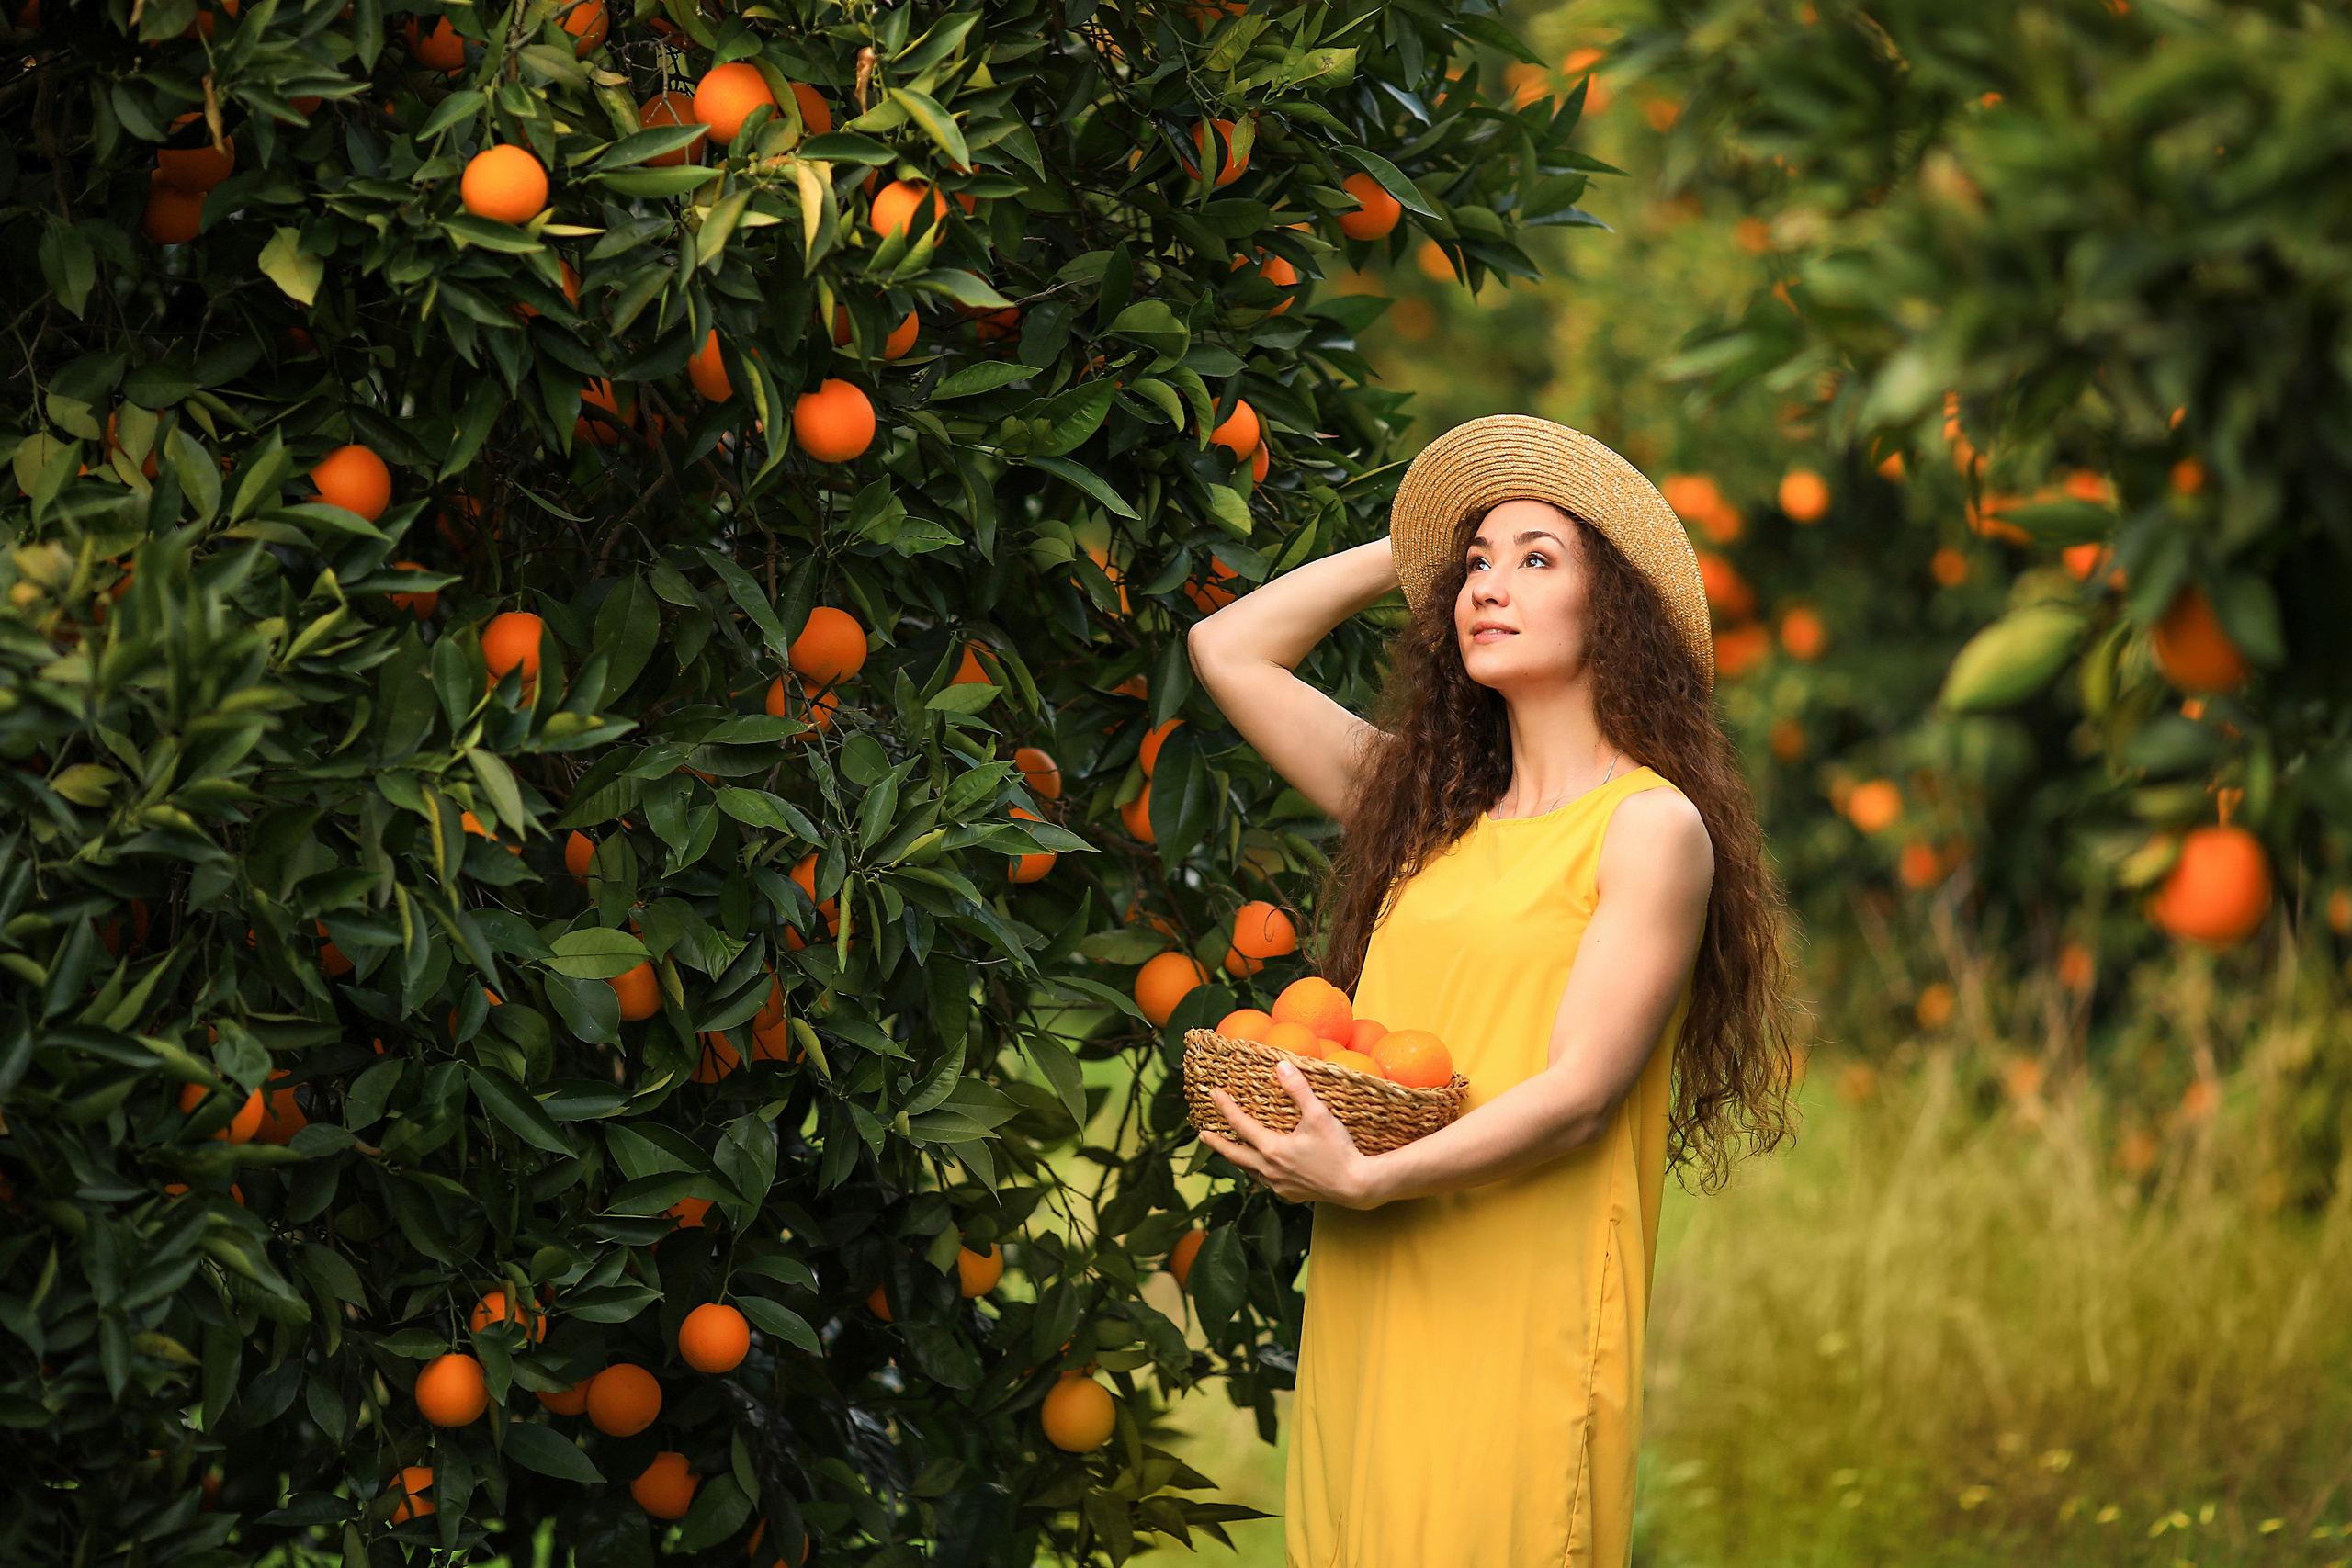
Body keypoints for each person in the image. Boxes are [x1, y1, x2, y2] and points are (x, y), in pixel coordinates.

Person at [1186, 414, 1797, 1567]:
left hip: (1517, 1300)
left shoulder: (1649, 828)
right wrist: (1416, 546)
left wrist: (1369, 1179)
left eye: (1535, 559)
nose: (1487, 586)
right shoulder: (1426, 817)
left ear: (1610, 611)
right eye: (1475, 564)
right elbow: (1229, 649)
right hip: (1377, 1286)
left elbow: (1577, 1096)